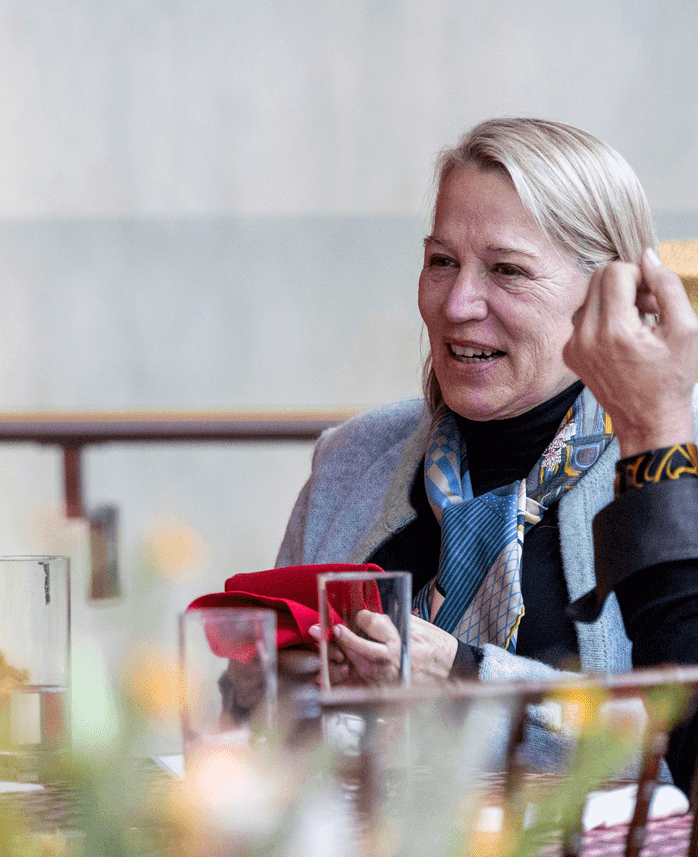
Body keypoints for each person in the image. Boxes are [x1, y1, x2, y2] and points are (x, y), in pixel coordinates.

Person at [277, 118, 698, 711]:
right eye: (442, 261)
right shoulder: (353, 458)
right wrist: (270, 683)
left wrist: (463, 679)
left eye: (508, 270)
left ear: (611, 291)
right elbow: (259, 714)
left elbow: (677, 741)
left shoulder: (675, 469)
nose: (456, 304)